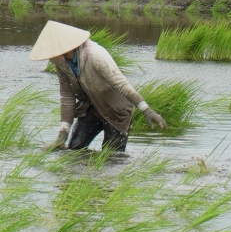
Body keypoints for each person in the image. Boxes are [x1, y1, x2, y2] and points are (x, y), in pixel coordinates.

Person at [29, 21, 166, 152]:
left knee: (112, 157)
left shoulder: (95, 55)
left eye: (50, 54)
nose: (49, 59)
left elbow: (121, 84)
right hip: (91, 108)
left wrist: (145, 110)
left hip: (116, 111)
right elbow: (67, 97)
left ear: (63, 50)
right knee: (74, 151)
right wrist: (62, 134)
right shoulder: (62, 64)